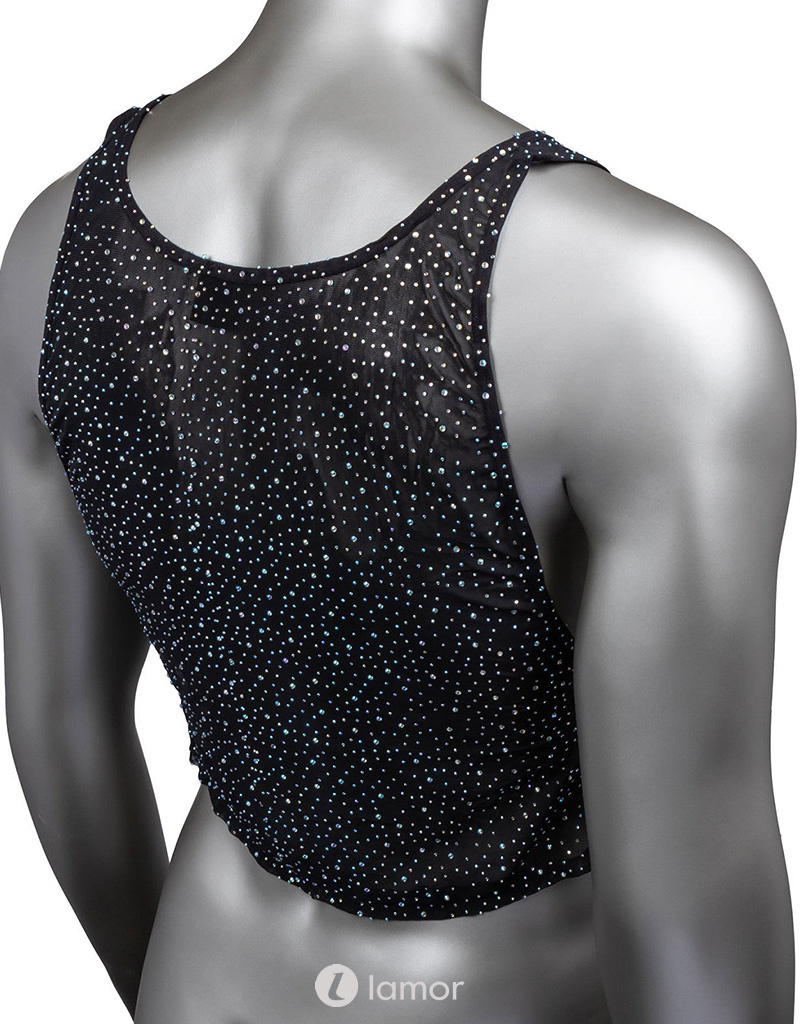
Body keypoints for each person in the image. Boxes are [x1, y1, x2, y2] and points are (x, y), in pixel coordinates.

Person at [0, 1, 795, 1022]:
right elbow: (684, 928)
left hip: (201, 977)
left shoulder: (54, 247)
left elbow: (62, 735)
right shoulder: (653, 305)